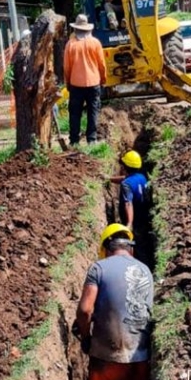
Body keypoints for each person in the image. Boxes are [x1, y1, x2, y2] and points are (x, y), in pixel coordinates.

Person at [75, 223, 154, 380]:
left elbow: (85, 310)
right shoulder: (146, 270)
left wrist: (85, 337)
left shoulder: (98, 269)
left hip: (107, 358)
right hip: (141, 358)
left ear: (106, 249)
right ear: (130, 249)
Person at [63, 14, 107, 146]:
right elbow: (102, 65)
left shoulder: (70, 45)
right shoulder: (96, 43)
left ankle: (74, 141)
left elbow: (66, 67)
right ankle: (91, 140)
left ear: (76, 29)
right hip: (94, 83)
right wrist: (103, 80)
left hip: (76, 84)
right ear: (88, 29)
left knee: (75, 113)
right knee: (93, 111)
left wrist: (68, 83)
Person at [110, 151, 150, 234]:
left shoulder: (126, 184)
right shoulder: (142, 177)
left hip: (134, 217)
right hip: (144, 214)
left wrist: (129, 223)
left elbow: (128, 204)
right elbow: (125, 178)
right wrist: (110, 179)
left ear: (125, 166)